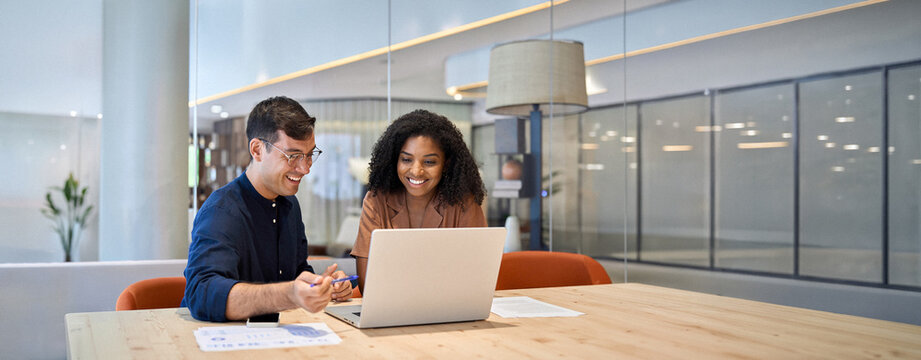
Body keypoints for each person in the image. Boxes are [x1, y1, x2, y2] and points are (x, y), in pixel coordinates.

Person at [182, 96, 352, 322]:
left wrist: (319, 286)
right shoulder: (221, 210)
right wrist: (289, 294)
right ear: (257, 150)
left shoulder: (290, 204)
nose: (305, 168)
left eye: (309, 155)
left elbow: (297, 272)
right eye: (293, 156)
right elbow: (202, 294)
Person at [351, 109, 487, 292]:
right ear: (395, 160)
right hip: (390, 311)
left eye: (429, 162)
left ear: (446, 164)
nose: (416, 171)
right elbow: (368, 285)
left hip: (450, 311)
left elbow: (475, 279)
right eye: (406, 159)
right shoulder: (377, 201)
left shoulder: (464, 203)